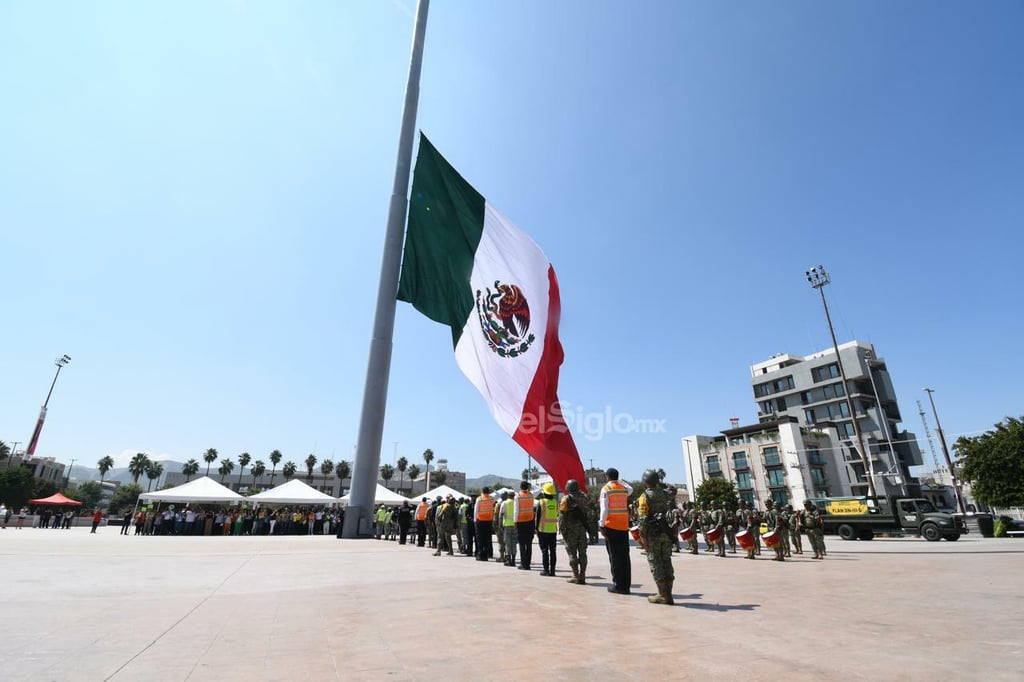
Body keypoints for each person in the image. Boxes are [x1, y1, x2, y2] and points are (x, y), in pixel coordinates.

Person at [637, 469, 675, 604]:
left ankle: (662, 594)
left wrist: (643, 537)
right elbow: (672, 493)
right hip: (665, 532)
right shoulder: (664, 494)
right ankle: (669, 594)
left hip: (653, 534)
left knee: (656, 563)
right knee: (666, 561)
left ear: (645, 482)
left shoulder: (644, 497)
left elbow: (643, 519)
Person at [599, 467, 632, 594]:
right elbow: (631, 489)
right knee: (624, 556)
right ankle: (626, 585)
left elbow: (604, 509)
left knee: (614, 556)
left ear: (607, 476)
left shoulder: (606, 489)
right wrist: (620, 481)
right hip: (623, 526)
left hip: (611, 526)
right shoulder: (624, 489)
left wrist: (601, 525)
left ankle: (618, 585)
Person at [559, 479, 590, 584]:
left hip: (571, 530)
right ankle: (583, 575)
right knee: (583, 553)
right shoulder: (584, 497)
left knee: (572, 552)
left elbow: (562, 517)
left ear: (568, 488)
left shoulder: (565, 499)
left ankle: (575, 575)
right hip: (582, 529)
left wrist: (562, 530)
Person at [536, 482, 559, 576]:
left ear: (544, 492)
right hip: (553, 530)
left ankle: (546, 570)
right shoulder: (555, 503)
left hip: (543, 530)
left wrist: (536, 529)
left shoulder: (541, 502)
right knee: (553, 550)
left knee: (544, 550)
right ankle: (552, 571)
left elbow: (537, 517)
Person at [513, 481, 536, 570]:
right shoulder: (531, 495)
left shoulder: (518, 496)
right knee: (529, 544)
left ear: (520, 487)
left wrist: (515, 522)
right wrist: (531, 486)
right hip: (530, 521)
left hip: (521, 522)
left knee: (522, 544)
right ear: (527, 487)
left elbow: (516, 510)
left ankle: (523, 564)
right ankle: (528, 563)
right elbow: (538, 489)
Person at [473, 487, 495, 562]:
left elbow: (476, 510)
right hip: (489, 521)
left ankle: (480, 554)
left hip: (481, 521)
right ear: (488, 492)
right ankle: (485, 555)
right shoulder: (492, 498)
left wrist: (475, 521)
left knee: (480, 539)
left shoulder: (479, 499)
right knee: (487, 539)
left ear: (482, 491)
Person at [500, 491, 517, 567]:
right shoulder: (516, 502)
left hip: (507, 525)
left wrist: (500, 525)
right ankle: (513, 560)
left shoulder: (504, 503)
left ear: (508, 496)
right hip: (515, 525)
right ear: (514, 496)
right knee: (514, 543)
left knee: (507, 543)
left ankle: (508, 560)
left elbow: (501, 515)